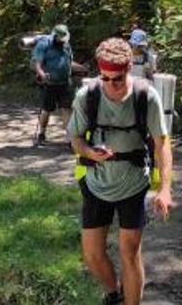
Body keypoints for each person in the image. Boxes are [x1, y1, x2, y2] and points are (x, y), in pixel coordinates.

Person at [68, 37, 173, 305]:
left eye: (118, 79)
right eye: (105, 78)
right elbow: (76, 139)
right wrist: (90, 153)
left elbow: (162, 144)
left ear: (128, 70)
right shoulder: (87, 96)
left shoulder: (145, 96)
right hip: (96, 182)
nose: (111, 85)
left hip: (133, 183)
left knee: (130, 252)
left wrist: (165, 189)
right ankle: (114, 293)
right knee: (92, 254)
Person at [31, 24, 74, 147]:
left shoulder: (66, 45)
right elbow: (37, 64)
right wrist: (42, 75)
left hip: (64, 83)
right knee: (46, 110)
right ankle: (42, 134)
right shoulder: (43, 44)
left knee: (66, 109)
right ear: (55, 36)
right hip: (48, 84)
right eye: (60, 38)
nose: (62, 41)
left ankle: (70, 139)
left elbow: (68, 61)